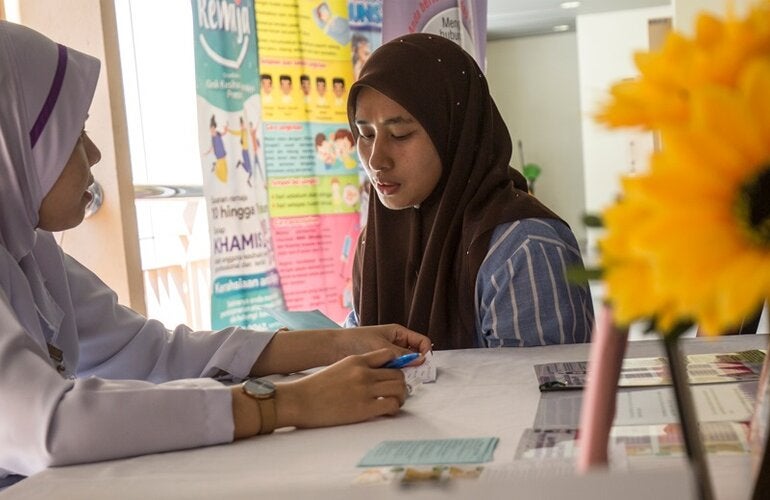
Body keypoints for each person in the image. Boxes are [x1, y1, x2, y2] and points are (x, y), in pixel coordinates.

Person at [0, 21, 431, 486]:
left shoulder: (29, 252)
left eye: (401, 133)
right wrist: (286, 403)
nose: (96, 153)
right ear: (16, 145)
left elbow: (151, 353)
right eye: (74, 136)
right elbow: (46, 426)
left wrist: (338, 344)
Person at [345, 33, 594, 349]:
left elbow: (539, 393)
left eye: (400, 134)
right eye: (365, 135)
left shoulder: (524, 248)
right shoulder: (373, 243)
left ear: (453, 134)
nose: (377, 160)